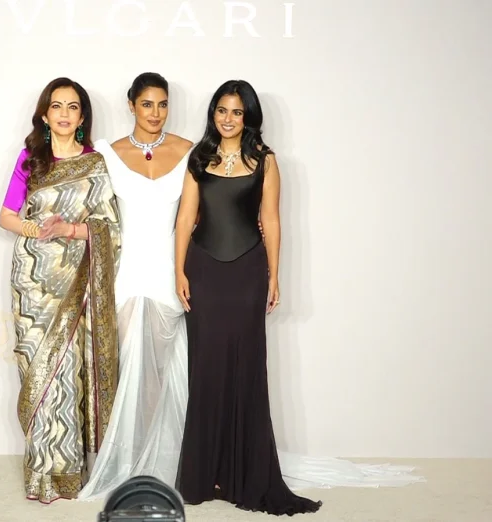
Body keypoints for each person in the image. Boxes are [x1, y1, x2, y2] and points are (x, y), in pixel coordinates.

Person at [173, 79, 323, 515]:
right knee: (206, 370)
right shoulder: (198, 158)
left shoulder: (265, 161)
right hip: (203, 271)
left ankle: (245, 474)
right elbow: (185, 217)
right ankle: (206, 474)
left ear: (248, 117)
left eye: (237, 112)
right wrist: (178, 270)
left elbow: (271, 220)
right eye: (221, 110)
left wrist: (274, 275)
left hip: (247, 274)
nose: (228, 119)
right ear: (213, 114)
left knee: (247, 369)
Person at [0, 77, 121, 504]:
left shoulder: (95, 164)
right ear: (45, 115)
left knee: (67, 371)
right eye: (57, 106)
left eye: (73, 107)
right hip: (32, 281)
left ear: (82, 116)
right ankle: (41, 473)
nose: (65, 114)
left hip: (76, 278)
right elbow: (6, 216)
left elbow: (111, 227)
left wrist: (68, 230)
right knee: (38, 368)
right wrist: (40, 231)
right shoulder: (31, 158)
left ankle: (68, 471)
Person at [76, 72, 193, 500]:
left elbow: (199, 213)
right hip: (125, 274)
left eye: (162, 104)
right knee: (126, 370)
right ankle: (127, 462)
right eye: (147, 104)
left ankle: (162, 461)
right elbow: (88, 207)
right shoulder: (107, 153)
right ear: (131, 105)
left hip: (168, 274)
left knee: (159, 374)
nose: (155, 113)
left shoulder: (188, 151)